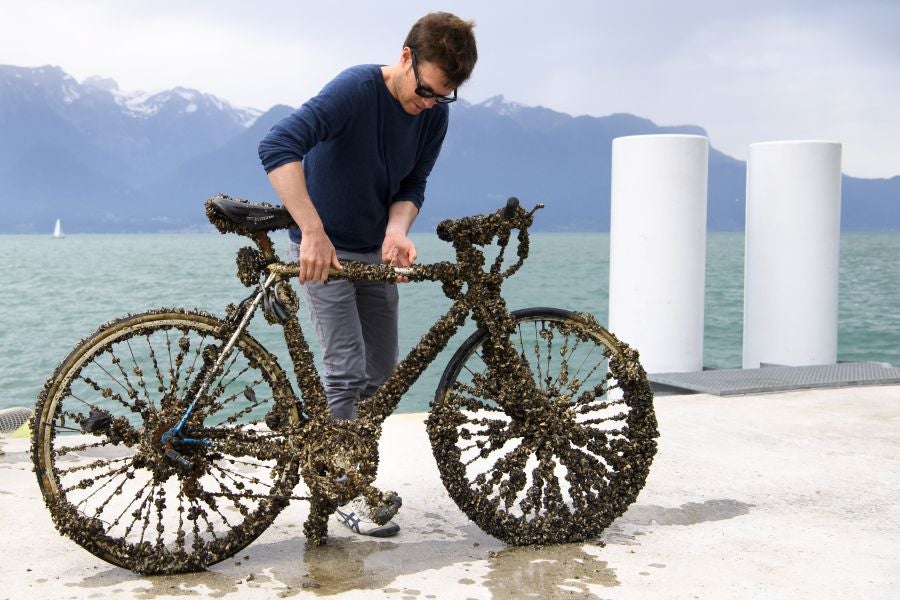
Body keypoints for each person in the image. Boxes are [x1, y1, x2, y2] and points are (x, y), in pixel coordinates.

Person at [258, 12, 477, 537]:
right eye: (426, 90)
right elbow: (277, 146)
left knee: (381, 374)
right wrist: (311, 231)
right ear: (406, 57)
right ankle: (343, 493)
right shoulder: (356, 89)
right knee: (345, 368)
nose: (428, 103)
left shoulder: (432, 113)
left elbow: (413, 183)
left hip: (373, 253)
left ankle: (342, 465)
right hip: (324, 250)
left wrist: (397, 230)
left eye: (442, 97)